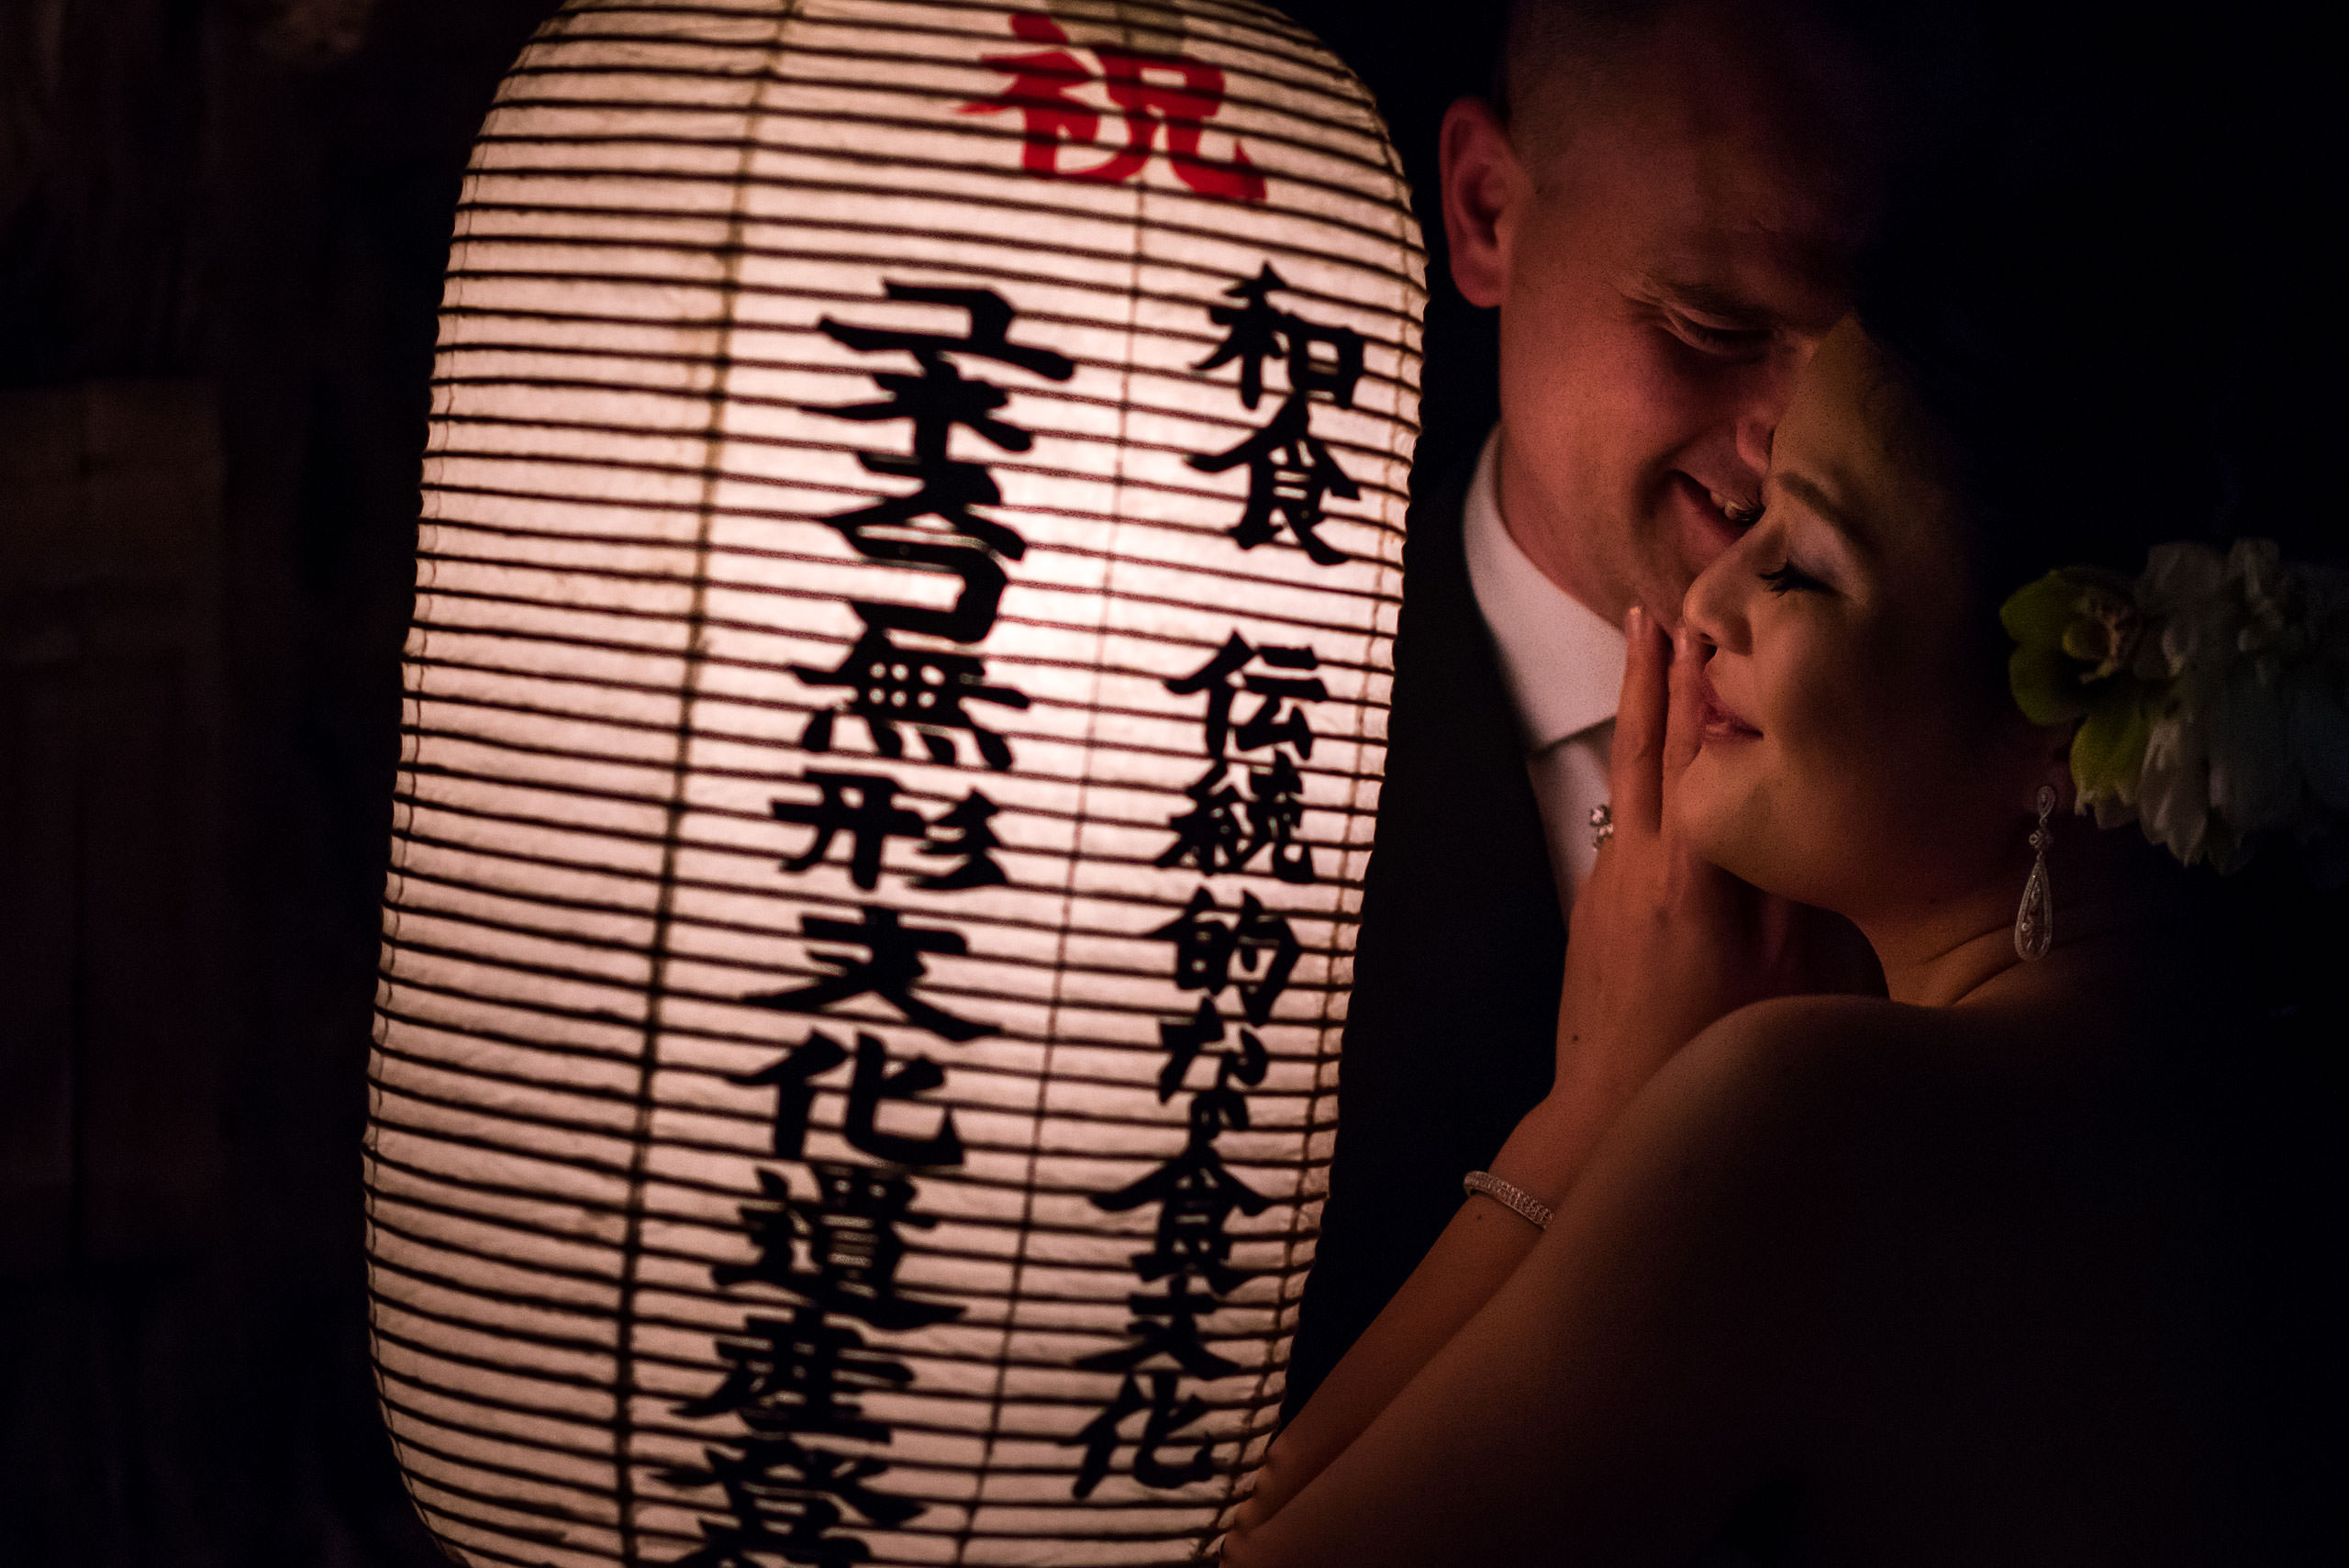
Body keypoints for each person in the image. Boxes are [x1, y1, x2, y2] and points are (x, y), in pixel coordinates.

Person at [1224, 43, 2340, 1563]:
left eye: (1807, 560)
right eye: (1711, 324)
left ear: (2075, 700)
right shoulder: (2245, 1067)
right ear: (1482, 209)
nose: (1724, 570)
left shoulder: (1809, 1118)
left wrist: (1596, 1113)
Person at [1286, 0, 1907, 1419]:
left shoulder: (2021, 735)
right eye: (1716, 326)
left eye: (1878, 352)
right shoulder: (1195, 740)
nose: (1803, 440)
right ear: (1488, 212)